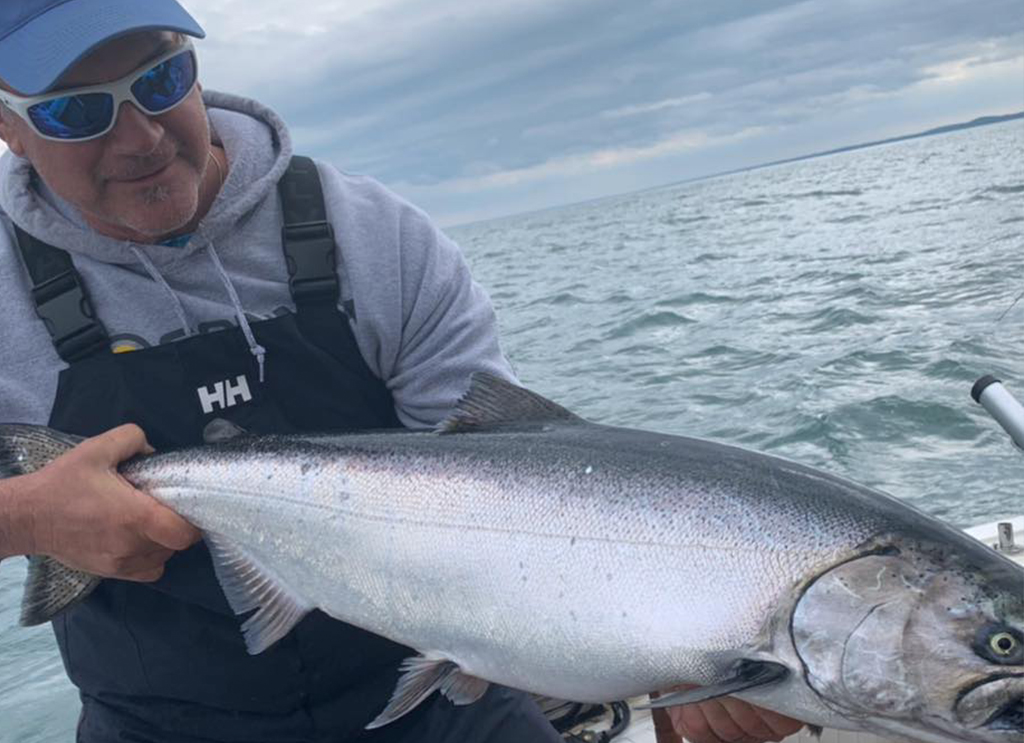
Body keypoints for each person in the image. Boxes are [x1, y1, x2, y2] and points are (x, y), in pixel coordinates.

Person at [0, 2, 806, 742]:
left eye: (161, 78)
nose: (141, 136)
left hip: (434, 691)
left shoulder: (371, 236)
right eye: (78, 111)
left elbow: (510, 480)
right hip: (158, 722)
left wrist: (649, 642)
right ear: (9, 126)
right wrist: (30, 518)